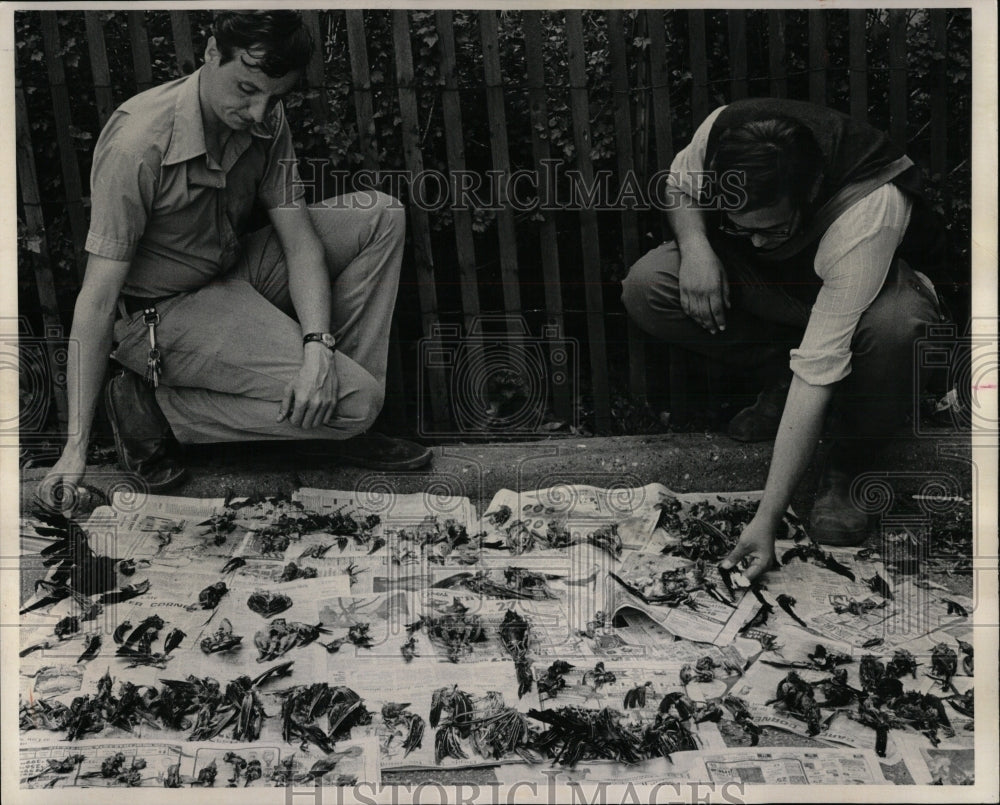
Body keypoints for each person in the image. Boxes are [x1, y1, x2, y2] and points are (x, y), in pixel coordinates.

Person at [39, 10, 431, 510]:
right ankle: (161, 411)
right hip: (160, 312)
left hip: (231, 272)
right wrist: (75, 447)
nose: (259, 110)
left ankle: (330, 405)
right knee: (360, 402)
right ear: (209, 53)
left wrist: (318, 348)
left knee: (379, 214)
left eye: (275, 97)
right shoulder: (138, 143)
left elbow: (300, 241)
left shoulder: (264, 115)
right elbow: (96, 302)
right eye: (246, 89)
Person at [622, 98, 948, 575]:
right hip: (791, 289)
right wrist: (696, 247)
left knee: (897, 326)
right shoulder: (722, 132)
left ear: (810, 192)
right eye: (739, 226)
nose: (751, 240)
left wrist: (766, 519)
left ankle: (850, 464)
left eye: (772, 228)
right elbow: (679, 184)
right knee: (650, 283)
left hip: (877, 293)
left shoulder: (868, 207)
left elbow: (817, 371)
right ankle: (779, 381)